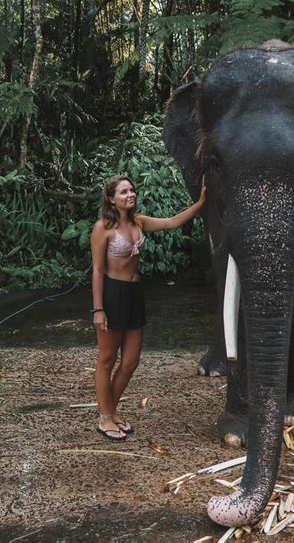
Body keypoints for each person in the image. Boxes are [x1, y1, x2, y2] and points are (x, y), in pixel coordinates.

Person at [90, 174, 206, 441]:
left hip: (134, 293)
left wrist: (201, 202)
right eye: (123, 192)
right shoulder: (103, 228)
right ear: (111, 199)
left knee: (131, 361)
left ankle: (112, 410)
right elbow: (97, 270)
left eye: (131, 190)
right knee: (107, 360)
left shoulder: (139, 222)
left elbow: (173, 222)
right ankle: (105, 417)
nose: (130, 195)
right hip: (112, 294)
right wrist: (98, 309)